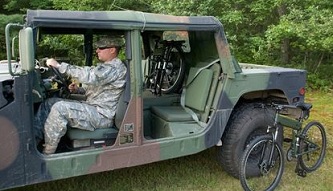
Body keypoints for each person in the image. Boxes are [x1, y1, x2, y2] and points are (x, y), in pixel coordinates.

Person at [34, 36, 127, 154]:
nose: (97, 50)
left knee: (59, 108)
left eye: (101, 48)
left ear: (112, 50)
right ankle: (34, 139)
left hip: (101, 114)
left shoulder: (115, 68)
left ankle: (47, 153)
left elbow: (90, 75)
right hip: (93, 108)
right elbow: (97, 87)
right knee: (50, 103)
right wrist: (78, 90)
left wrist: (59, 66)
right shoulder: (106, 68)